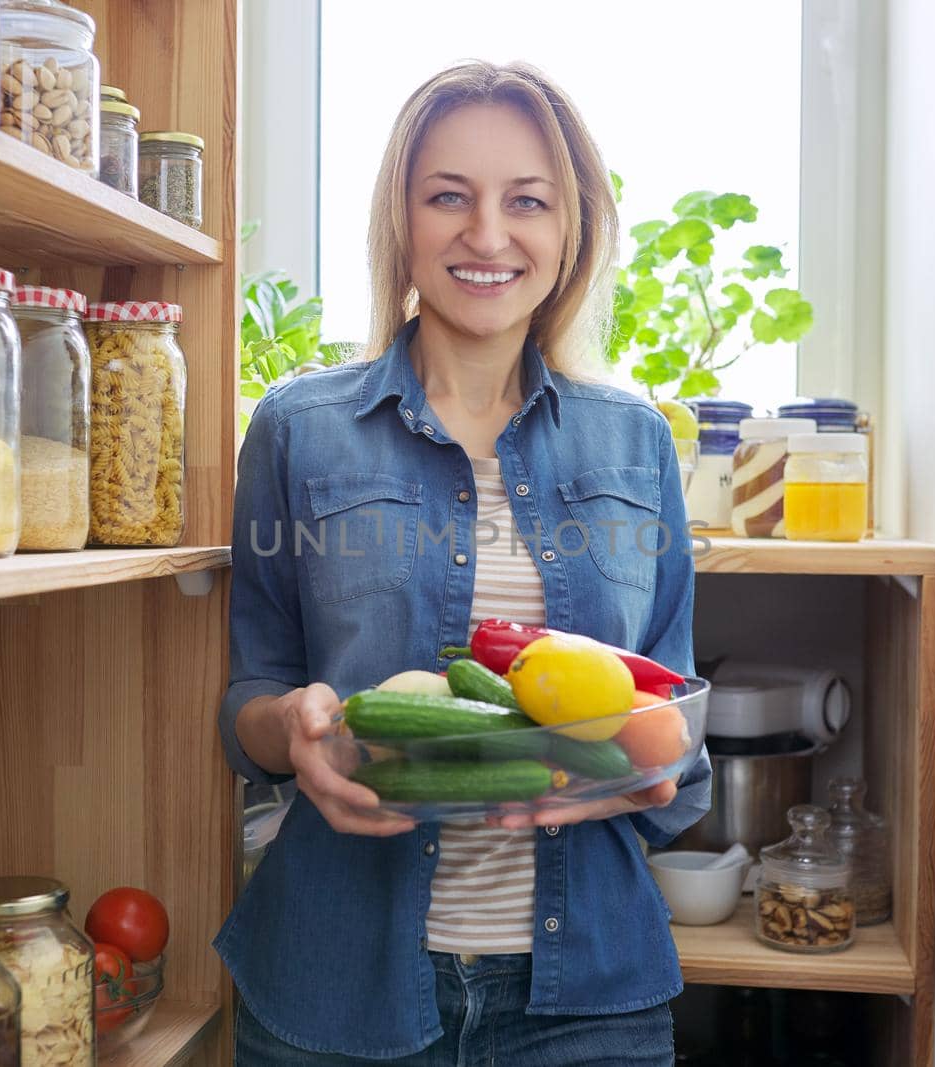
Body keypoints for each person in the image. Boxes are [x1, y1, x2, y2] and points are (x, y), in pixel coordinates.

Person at [215, 60, 710, 1066]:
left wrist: (658, 767)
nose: (487, 235)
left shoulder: (634, 442)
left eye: (526, 200)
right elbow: (251, 698)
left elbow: (670, 705)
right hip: (334, 982)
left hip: (588, 998)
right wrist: (294, 729)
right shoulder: (297, 429)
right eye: (449, 196)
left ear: (570, 227)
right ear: (401, 219)